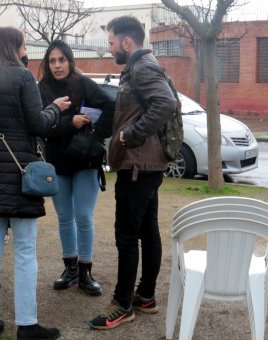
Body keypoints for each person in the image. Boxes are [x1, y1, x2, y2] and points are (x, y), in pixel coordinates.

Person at [0, 27, 70, 340]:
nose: (26, 50)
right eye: (24, 45)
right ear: (15, 46)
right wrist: (56, 108)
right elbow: (37, 123)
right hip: (17, 172)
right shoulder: (22, 76)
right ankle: (27, 325)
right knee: (24, 250)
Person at [88, 16, 177, 330]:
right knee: (146, 230)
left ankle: (122, 304)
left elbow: (164, 102)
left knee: (127, 236)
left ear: (126, 42)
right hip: (145, 165)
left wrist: (132, 134)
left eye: (111, 42)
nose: (110, 48)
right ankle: (146, 296)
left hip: (138, 165)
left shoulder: (141, 67)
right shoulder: (143, 66)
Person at [37, 40, 114, 296]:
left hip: (85, 161)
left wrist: (96, 135)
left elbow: (111, 107)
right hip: (57, 161)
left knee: (83, 216)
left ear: (70, 60)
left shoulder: (83, 84)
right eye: (52, 60)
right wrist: (71, 122)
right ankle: (69, 268)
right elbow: (41, 126)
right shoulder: (42, 89)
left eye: (62, 59)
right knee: (64, 217)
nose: (57, 65)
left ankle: (85, 271)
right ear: (47, 64)